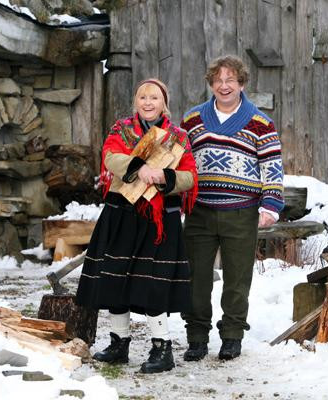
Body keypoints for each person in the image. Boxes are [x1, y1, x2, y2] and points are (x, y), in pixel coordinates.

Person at [76, 78, 197, 374]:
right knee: (116, 281)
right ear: (136, 102)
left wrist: (163, 177)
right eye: (142, 97)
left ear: (163, 102)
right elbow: (110, 156)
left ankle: (162, 349)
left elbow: (190, 177)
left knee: (153, 284)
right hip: (122, 214)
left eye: (154, 97)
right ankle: (119, 344)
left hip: (160, 221)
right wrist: (139, 168)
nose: (147, 102)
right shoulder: (122, 129)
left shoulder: (178, 136)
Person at [180, 55, 284, 361]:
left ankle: (232, 335)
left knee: (237, 279)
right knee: (196, 277)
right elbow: (179, 161)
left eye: (231, 80)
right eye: (218, 80)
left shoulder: (260, 123)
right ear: (211, 84)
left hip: (241, 211)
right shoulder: (192, 120)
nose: (224, 86)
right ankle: (197, 336)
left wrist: (271, 204)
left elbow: (272, 166)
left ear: (241, 84)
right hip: (199, 210)